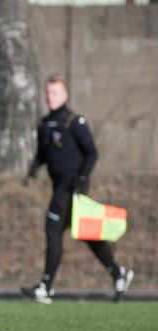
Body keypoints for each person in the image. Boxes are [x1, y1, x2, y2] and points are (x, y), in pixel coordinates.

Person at [22, 74, 133, 304]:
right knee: (87, 233)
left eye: (54, 92)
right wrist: (34, 168)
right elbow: (44, 152)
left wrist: (82, 177)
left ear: (65, 95)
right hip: (58, 187)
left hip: (71, 188)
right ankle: (118, 273)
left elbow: (92, 153)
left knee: (52, 229)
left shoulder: (74, 121)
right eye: (47, 92)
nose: (50, 97)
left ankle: (46, 287)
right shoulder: (44, 124)